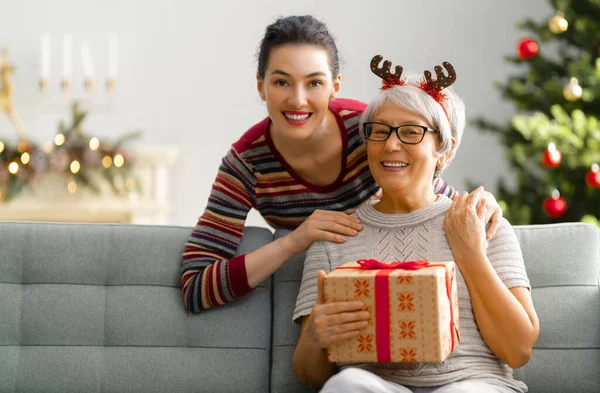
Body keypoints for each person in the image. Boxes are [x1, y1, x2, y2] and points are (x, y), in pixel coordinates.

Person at [180, 15, 503, 313]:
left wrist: (478, 204)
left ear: (335, 85)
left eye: (314, 83)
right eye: (281, 82)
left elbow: (432, 192)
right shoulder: (245, 164)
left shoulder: (372, 131)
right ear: (259, 85)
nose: (297, 99)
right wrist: (294, 240)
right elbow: (196, 287)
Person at [291, 57, 540, 392]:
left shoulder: (481, 223)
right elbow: (311, 376)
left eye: (411, 132)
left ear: (444, 151)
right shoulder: (334, 238)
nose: (391, 145)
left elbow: (518, 349)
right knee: (348, 383)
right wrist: (315, 335)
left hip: (472, 384)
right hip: (376, 388)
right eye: (379, 132)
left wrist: (470, 253)